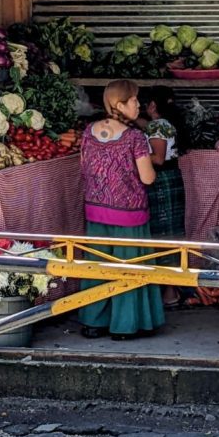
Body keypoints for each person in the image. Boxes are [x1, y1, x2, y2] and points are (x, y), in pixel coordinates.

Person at [78, 80, 165, 341]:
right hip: (129, 216)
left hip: (95, 212)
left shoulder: (89, 132)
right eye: (134, 100)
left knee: (97, 267)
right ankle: (125, 326)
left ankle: (93, 322)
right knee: (129, 269)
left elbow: (84, 167)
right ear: (119, 104)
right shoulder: (135, 137)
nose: (138, 104)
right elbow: (148, 178)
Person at [139, 86, 187, 240]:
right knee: (173, 225)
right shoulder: (165, 123)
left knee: (161, 224)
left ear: (152, 105)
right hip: (172, 176)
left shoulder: (156, 125)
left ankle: (163, 254)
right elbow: (145, 125)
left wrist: (135, 156)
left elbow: (158, 158)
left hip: (160, 179)